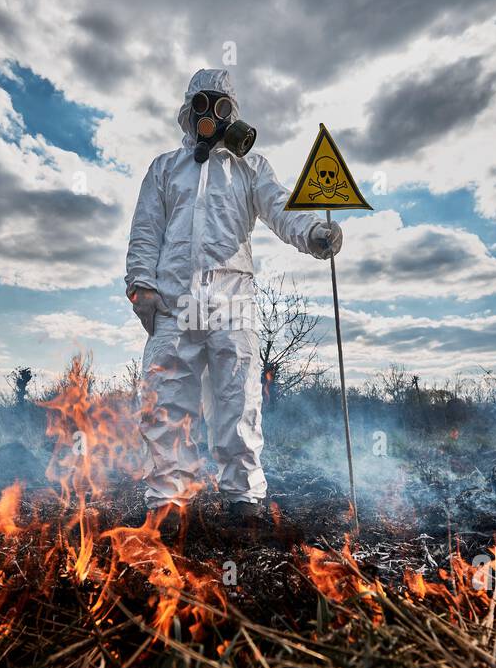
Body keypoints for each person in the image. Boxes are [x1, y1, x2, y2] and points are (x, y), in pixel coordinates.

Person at [125, 68, 342, 519]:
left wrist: (314, 231)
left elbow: (283, 208)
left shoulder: (250, 168)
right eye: (202, 105)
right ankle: (169, 502)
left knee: (238, 400)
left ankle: (243, 501)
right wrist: (141, 286)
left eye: (221, 106)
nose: (211, 115)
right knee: (166, 401)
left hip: (233, 302)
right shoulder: (165, 168)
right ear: (188, 111)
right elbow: (146, 230)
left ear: (233, 114)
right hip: (173, 302)